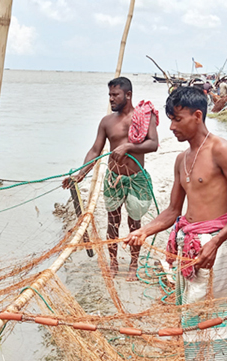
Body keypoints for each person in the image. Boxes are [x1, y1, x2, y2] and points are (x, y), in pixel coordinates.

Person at [124, 86, 227, 361]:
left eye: (177, 119)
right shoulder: (182, 160)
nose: (171, 126)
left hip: (218, 248)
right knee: (191, 314)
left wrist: (217, 241)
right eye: (170, 118)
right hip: (191, 247)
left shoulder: (221, 149)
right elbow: (173, 210)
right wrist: (145, 231)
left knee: (220, 317)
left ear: (198, 116)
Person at [63, 77, 158, 281]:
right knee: (112, 222)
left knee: (135, 223)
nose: (111, 99)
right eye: (109, 95)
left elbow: (153, 144)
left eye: (115, 95)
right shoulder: (107, 122)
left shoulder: (143, 116)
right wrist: (80, 174)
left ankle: (133, 264)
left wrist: (129, 146)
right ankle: (113, 262)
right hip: (114, 178)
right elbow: (95, 150)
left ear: (128, 95)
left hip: (136, 179)